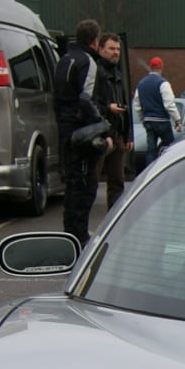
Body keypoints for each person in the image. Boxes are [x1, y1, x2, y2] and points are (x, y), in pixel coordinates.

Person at [53, 18, 111, 244]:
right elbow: (86, 99)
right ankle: (79, 236)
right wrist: (102, 128)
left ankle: (70, 233)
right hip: (82, 133)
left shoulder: (64, 59)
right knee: (85, 185)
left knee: (71, 185)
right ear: (96, 41)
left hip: (65, 129)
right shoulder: (88, 62)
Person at [93, 31, 132, 209]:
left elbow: (126, 105)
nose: (115, 52)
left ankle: (114, 219)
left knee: (117, 182)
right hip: (100, 133)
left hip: (117, 134)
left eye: (117, 49)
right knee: (92, 180)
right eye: (111, 49)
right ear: (101, 49)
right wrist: (108, 108)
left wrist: (128, 135)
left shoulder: (118, 75)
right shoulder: (95, 73)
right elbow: (91, 103)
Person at [132, 56, 180, 169]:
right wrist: (177, 120)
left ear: (150, 67)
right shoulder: (163, 83)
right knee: (169, 148)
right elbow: (169, 104)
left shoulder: (141, 84)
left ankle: (149, 172)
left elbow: (137, 106)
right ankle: (169, 169)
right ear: (161, 68)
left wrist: (143, 120)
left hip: (148, 121)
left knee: (151, 150)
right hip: (162, 120)